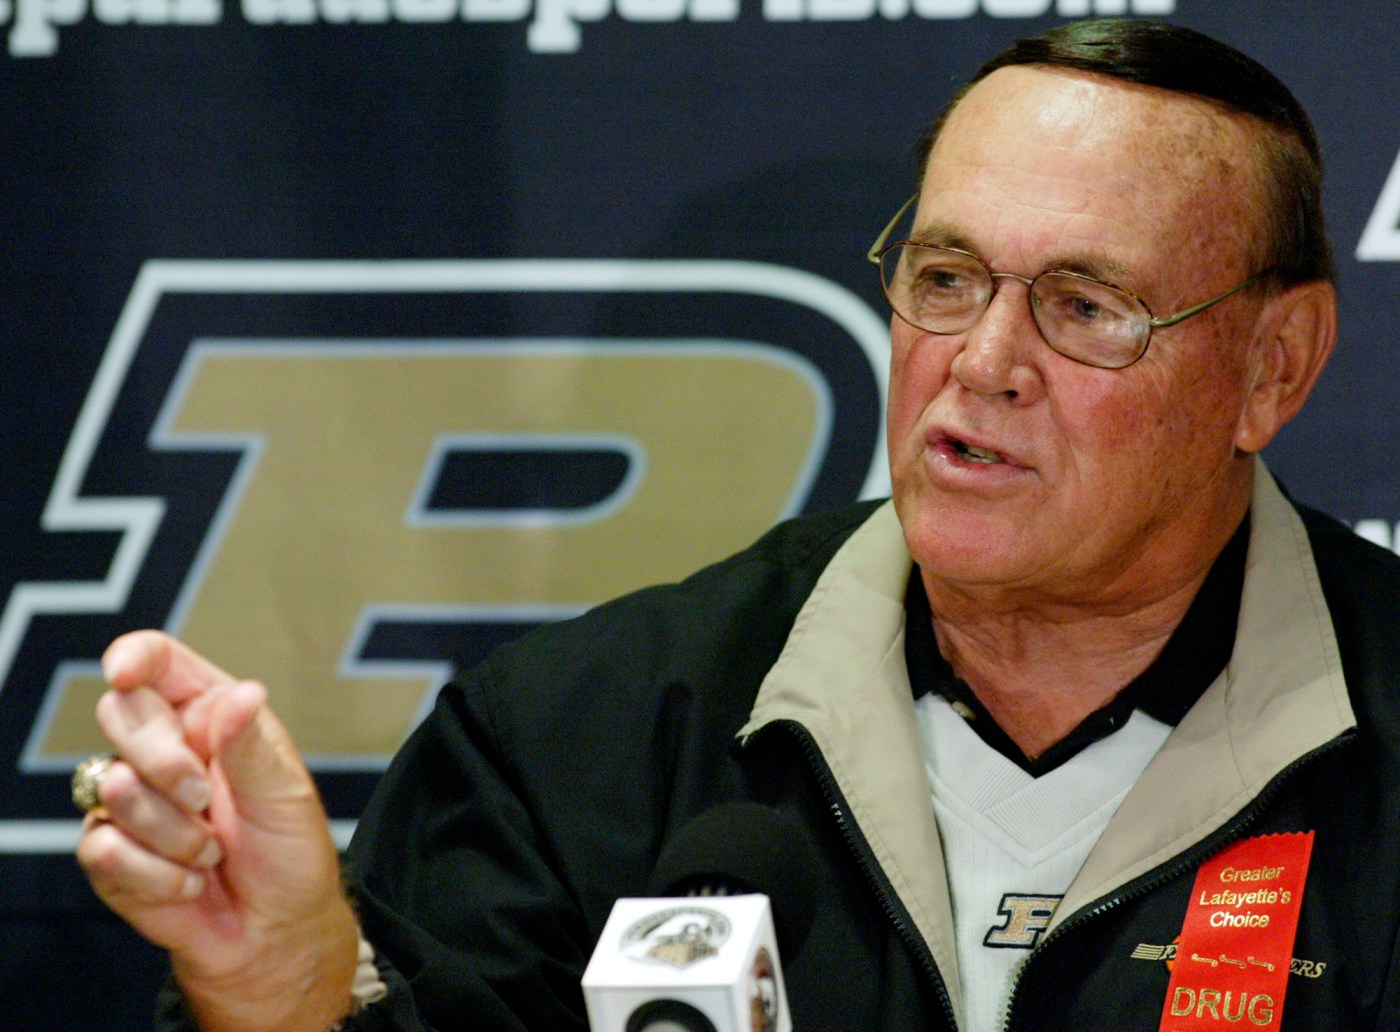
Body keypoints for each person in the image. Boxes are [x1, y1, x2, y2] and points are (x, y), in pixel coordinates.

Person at [73, 17, 1400, 1031]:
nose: (983, 361)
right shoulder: (577, 739)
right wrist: (291, 990)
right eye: (945, 278)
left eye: (1085, 306)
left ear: (1274, 367)